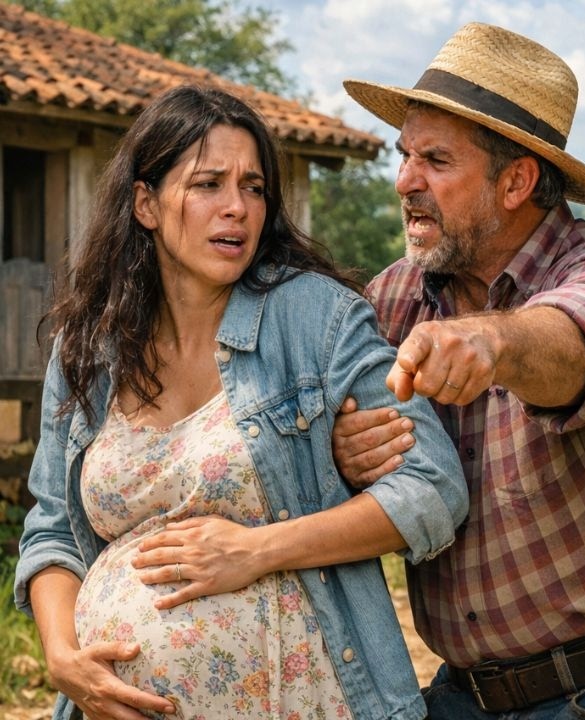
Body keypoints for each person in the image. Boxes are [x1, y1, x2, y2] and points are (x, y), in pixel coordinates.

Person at [15, 85, 467, 719]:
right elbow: (54, 529)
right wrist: (64, 658)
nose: (237, 208)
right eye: (208, 185)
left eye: (253, 188)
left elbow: (434, 487)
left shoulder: (316, 320)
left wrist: (258, 550)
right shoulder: (89, 347)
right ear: (146, 203)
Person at [331, 22, 585, 717]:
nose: (406, 182)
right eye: (405, 156)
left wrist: (493, 342)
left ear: (516, 180)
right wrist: (344, 451)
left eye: (436, 160)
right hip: (469, 694)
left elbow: (571, 344)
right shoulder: (393, 297)